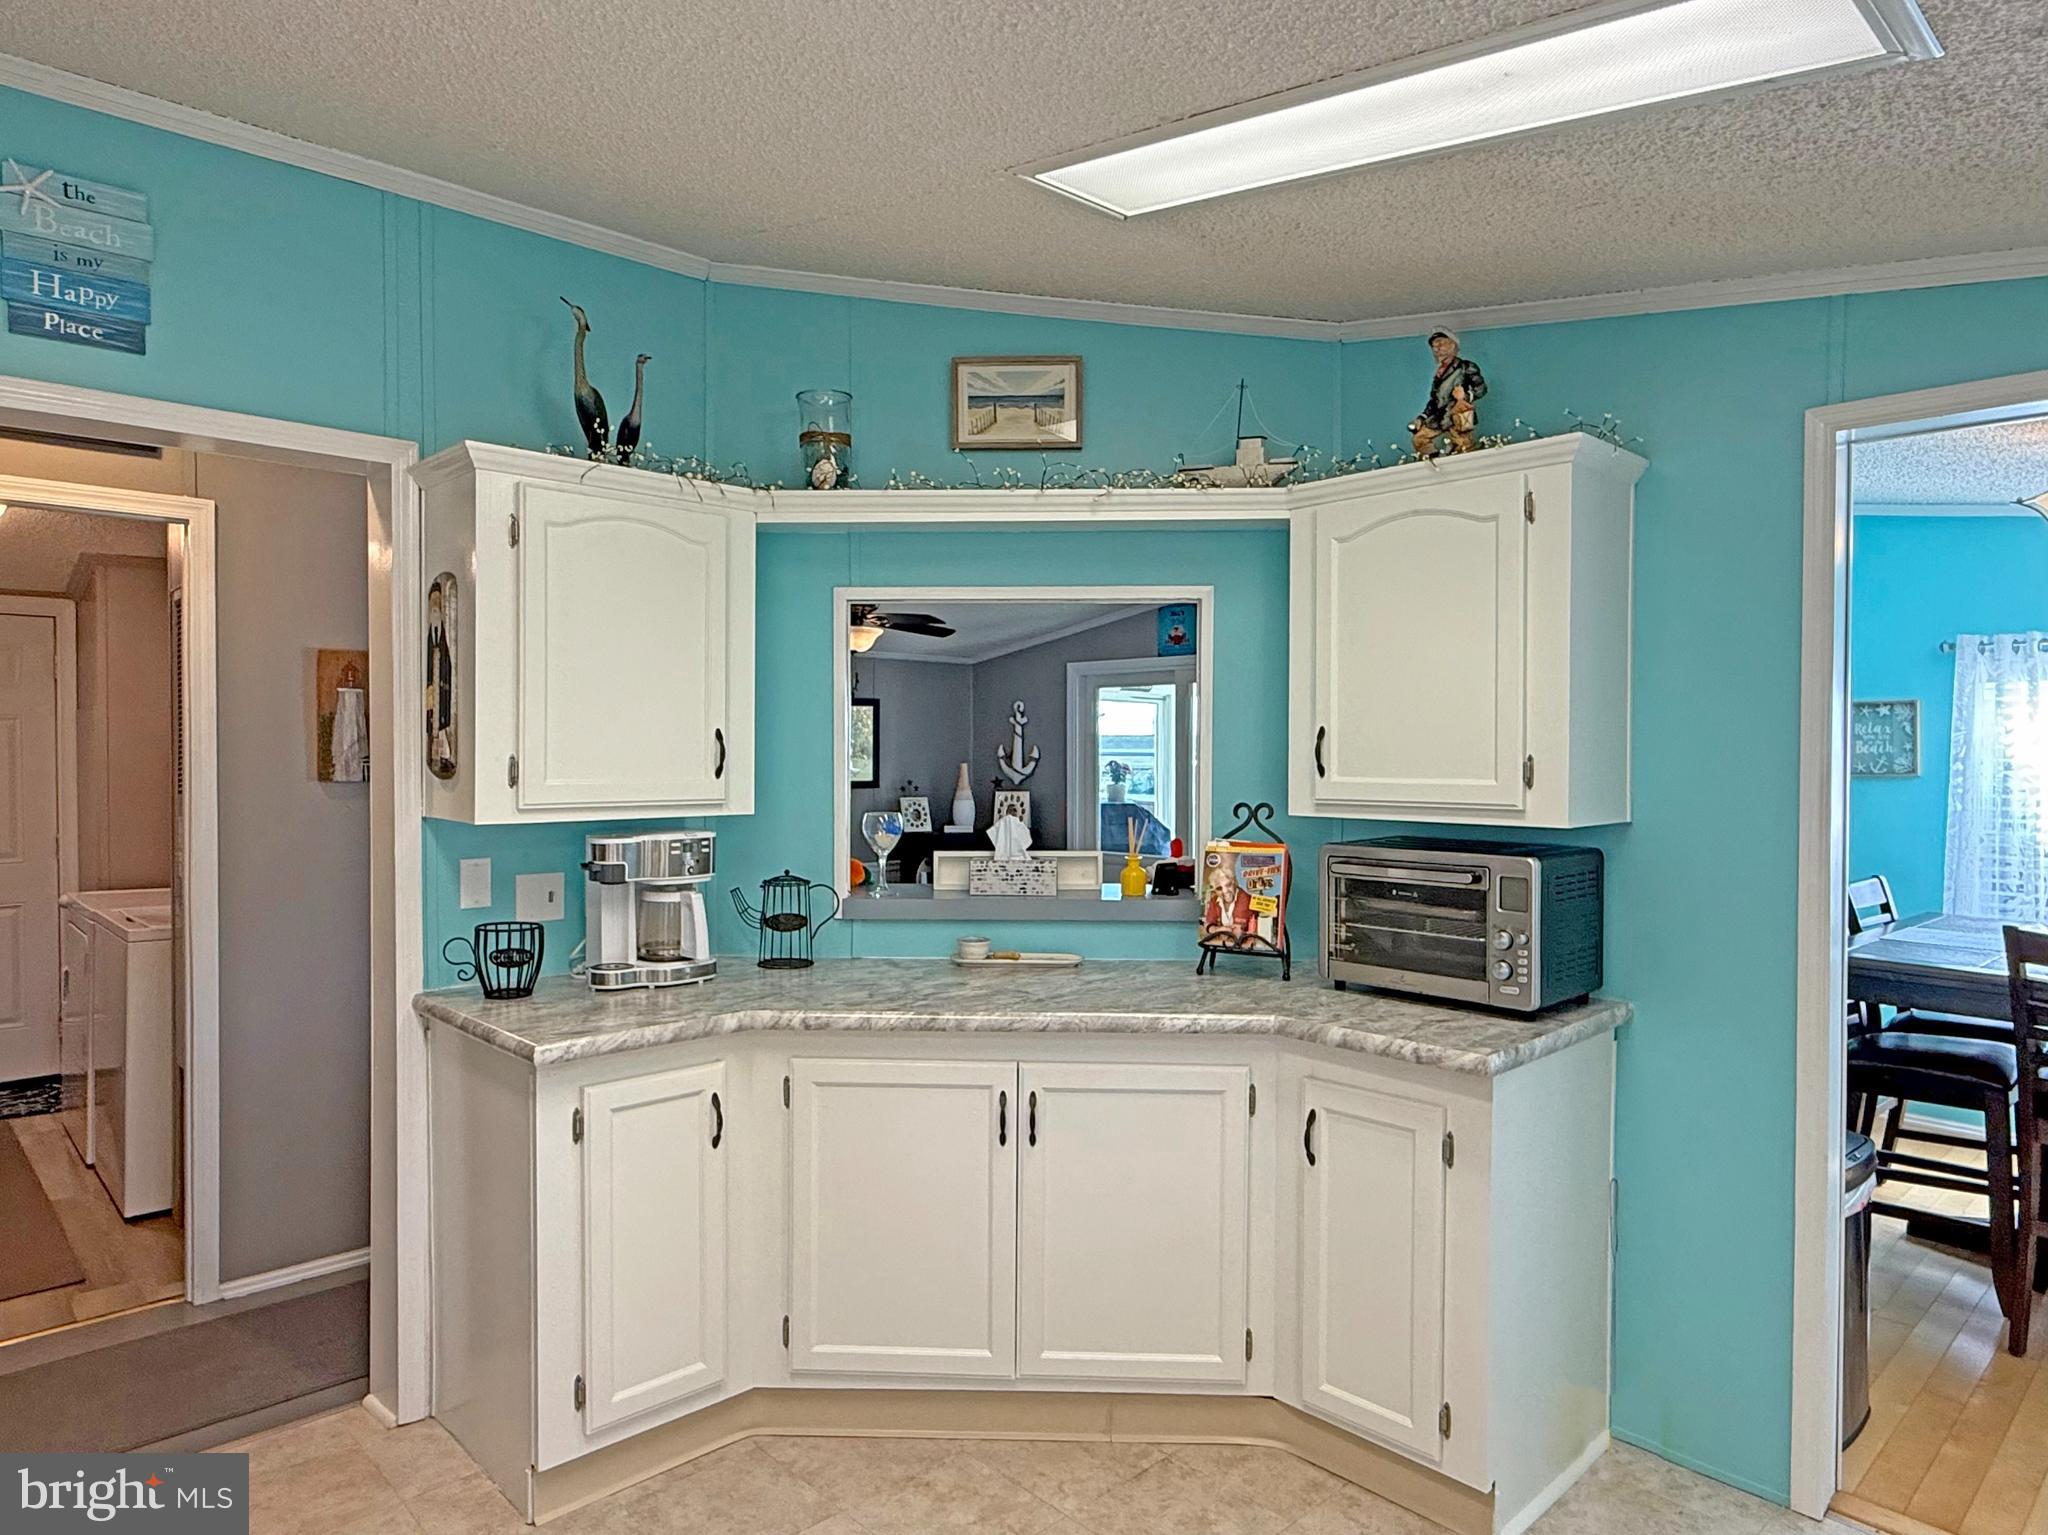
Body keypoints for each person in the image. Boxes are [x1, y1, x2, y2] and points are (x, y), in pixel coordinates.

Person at [1410, 328, 1488, 455]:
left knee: (1464, 447)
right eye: (1434, 347)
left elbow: (1481, 388)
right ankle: (1435, 460)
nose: (1437, 349)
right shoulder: (1438, 374)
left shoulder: (1465, 367)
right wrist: (1422, 418)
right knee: (1419, 439)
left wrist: (1466, 396)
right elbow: (1434, 401)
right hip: (1440, 416)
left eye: (1440, 344)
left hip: (1458, 414)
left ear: (1452, 345)